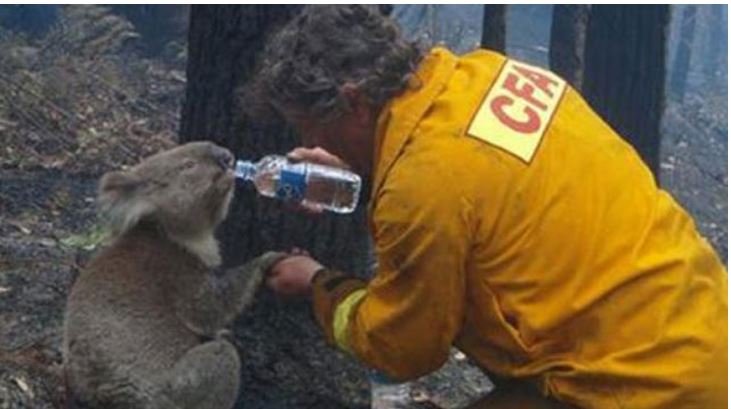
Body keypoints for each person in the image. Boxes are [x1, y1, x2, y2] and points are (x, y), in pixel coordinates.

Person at [247, 5, 728, 408]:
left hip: (640, 389)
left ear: (352, 102)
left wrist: (317, 283)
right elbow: (472, 188)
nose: (307, 141)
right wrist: (360, 170)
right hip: (703, 332)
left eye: (309, 124)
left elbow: (403, 347)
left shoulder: (423, 187)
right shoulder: (488, 74)